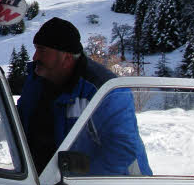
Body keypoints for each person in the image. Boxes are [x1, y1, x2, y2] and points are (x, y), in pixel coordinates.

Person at [14, 17, 151, 176]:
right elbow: (25, 114)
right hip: (48, 183)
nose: (35, 57)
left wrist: (74, 178)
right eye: (36, 49)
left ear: (66, 58)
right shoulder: (37, 80)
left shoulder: (105, 90)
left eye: (42, 50)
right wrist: (8, 127)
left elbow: (122, 150)